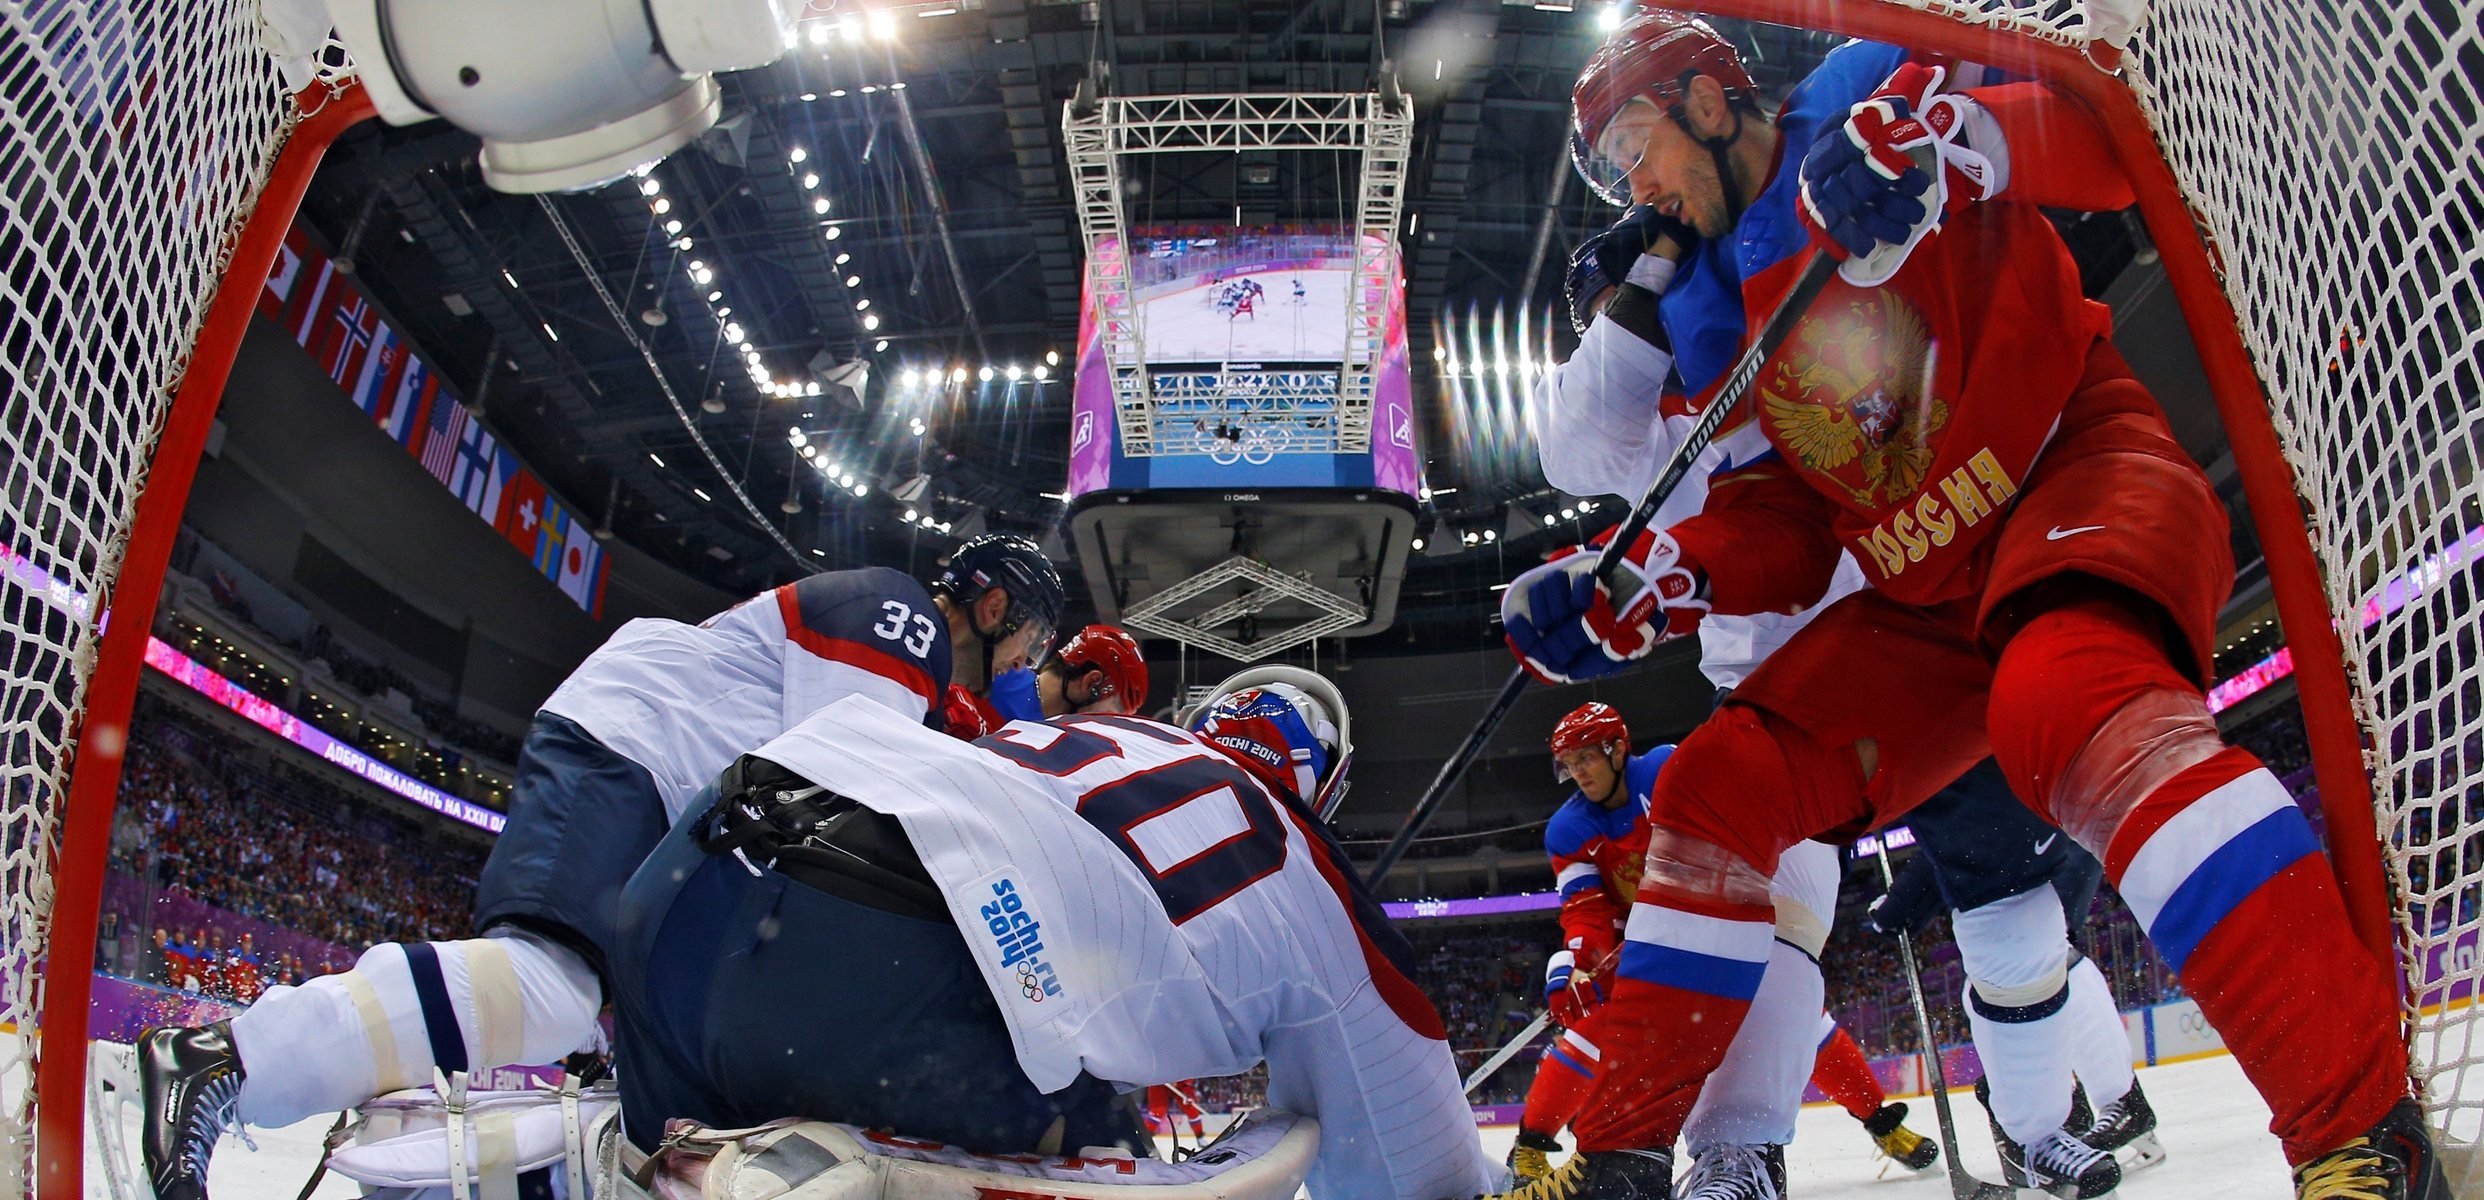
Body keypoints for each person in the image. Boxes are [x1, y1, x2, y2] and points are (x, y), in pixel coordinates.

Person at [1495, 14, 2430, 1199]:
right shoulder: (1714, 302)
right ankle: (1625, 1159)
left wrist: (1966, 139)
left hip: (2069, 475)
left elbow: (2118, 142)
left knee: (2066, 704)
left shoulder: (1863, 95)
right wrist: (1663, 581)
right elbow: (1789, 507)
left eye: (1638, 144)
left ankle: (2361, 1132)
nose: (1636, 186)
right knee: (1711, 786)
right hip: (1927, 598)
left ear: (1711, 102)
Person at [138, 534, 1066, 1200]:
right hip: (637, 755)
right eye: (1031, 642)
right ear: (996, 608)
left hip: (668, 802)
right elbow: (851, 791)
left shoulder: (915, 657)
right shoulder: (904, 620)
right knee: (547, 990)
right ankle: (230, 1057)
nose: (1028, 662)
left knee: (614, 1057)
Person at [601, 666, 1491, 1200]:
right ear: (1323, 797)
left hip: (691, 876)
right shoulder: (1305, 859)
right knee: (1101, 1136)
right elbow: (1414, 1162)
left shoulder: (1093, 738)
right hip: (887, 967)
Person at [1507, 702, 1933, 1199]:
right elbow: (1586, 910)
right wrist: (1579, 961)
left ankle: (1880, 1121)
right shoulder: (1567, 828)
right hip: (1639, 942)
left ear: (1618, 748)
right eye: (1568, 763)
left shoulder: (1668, 768)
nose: (1577, 772)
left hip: (1709, 913)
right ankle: (1531, 1146)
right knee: (1592, 1029)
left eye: (1585, 758)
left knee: (1795, 1015)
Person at [1864, 762, 2162, 1188]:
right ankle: (2108, 1102)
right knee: (2044, 957)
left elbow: (1970, 834)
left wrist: (1899, 908)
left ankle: (2057, 1125)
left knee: (2020, 959)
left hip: (2043, 835)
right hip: (2063, 816)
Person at [990, 624, 1151, 722]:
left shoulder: (993, 675)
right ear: (1091, 682)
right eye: (1112, 714)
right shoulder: (987, 679)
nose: (1105, 727)